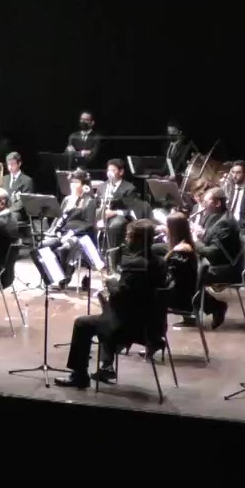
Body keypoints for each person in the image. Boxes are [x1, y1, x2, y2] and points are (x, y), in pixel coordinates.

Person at [55, 220, 165, 388]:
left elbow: (120, 295)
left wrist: (109, 281)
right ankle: (106, 365)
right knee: (107, 314)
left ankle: (79, 376)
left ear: (137, 239)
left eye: (128, 237)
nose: (126, 240)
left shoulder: (134, 265)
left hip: (132, 327)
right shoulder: (159, 262)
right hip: (153, 324)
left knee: (82, 323)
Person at [193, 187, 243, 329]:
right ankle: (195, 310)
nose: (202, 204)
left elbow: (212, 253)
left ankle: (215, 307)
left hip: (226, 269)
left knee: (189, 275)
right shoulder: (216, 217)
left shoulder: (224, 223)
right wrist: (201, 234)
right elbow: (212, 239)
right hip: (217, 262)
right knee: (185, 269)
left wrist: (194, 241)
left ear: (217, 203)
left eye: (206, 201)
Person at [43, 169, 98, 288]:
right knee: (43, 245)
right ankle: (51, 276)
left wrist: (71, 233)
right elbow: (59, 218)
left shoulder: (89, 201)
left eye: (77, 182)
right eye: (72, 182)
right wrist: (53, 231)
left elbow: (88, 223)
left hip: (80, 235)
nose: (73, 185)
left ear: (84, 185)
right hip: (63, 232)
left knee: (64, 248)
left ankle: (64, 278)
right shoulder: (67, 199)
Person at [98, 159, 137, 268]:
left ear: (121, 172)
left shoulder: (129, 188)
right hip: (104, 215)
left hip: (121, 216)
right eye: (108, 170)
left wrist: (114, 212)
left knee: (114, 226)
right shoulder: (102, 187)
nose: (109, 172)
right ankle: (98, 258)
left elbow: (130, 209)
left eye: (113, 170)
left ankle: (113, 262)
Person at [3, 151, 35, 219]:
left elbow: (24, 201)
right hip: (4, 209)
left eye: (12, 164)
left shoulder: (27, 180)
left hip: (18, 212)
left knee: (11, 217)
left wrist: (9, 210)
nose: (10, 167)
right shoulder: (4, 179)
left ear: (19, 164)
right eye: (8, 164)